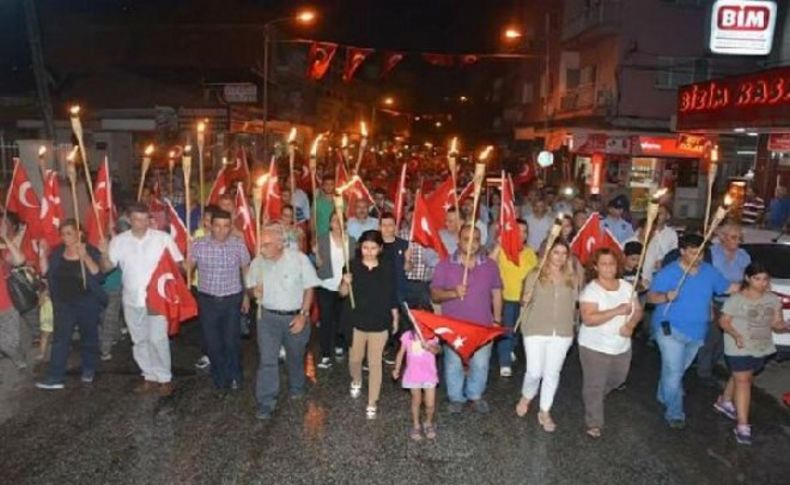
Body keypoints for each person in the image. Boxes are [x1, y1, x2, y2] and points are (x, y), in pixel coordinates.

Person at [647, 233, 739, 428]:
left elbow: (728, 287)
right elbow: (650, 298)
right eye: (693, 253)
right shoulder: (669, 272)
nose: (698, 257)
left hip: (697, 331)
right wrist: (665, 297)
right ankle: (675, 413)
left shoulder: (709, 271)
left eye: (701, 253)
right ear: (682, 251)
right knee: (674, 372)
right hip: (669, 328)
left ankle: (664, 394)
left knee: (677, 370)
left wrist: (752, 285)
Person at [101, 203, 184, 397]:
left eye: (145, 219)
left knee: (158, 339)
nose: (141, 223)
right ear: (129, 220)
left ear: (150, 219)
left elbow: (179, 266)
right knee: (139, 340)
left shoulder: (162, 239)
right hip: (132, 299)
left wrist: (175, 272)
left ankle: (164, 378)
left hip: (157, 299)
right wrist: (104, 252)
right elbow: (106, 268)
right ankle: (149, 375)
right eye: (137, 219)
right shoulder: (119, 241)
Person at [246, 223, 320, 420]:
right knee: (267, 361)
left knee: (295, 357)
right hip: (267, 319)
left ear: (280, 244)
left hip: (295, 317)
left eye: (267, 244)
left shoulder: (299, 259)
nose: (262, 248)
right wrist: (253, 292)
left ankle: (297, 385)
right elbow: (249, 287)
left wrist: (303, 315)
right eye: (261, 244)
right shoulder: (257, 263)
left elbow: (309, 288)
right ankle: (266, 402)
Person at [714, 262, 789, 445]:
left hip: (761, 346)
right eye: (757, 279)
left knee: (743, 375)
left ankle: (724, 401)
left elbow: (776, 323)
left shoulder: (772, 299)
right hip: (737, 346)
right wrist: (736, 335)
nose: (762, 283)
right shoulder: (737, 299)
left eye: (765, 279)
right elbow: (724, 322)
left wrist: (785, 326)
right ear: (748, 278)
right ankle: (743, 425)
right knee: (744, 381)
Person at [431, 224, 503, 414]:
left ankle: (475, 394)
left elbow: (496, 293)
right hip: (454, 327)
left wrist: (496, 320)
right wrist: (454, 292)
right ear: (458, 240)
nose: (471, 243)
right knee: (453, 363)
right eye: (466, 239)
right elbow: (435, 295)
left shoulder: (490, 265)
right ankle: (456, 397)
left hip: (482, 326)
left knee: (480, 363)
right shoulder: (445, 265)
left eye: (476, 239)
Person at [515, 240, 580, 432]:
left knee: (552, 374)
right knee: (534, 372)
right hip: (535, 328)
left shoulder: (572, 278)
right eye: (555, 252)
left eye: (563, 253)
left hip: (562, 332)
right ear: (547, 253)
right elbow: (523, 300)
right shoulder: (535, 275)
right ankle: (527, 396)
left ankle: (545, 411)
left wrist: (574, 328)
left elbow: (574, 306)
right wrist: (523, 300)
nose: (559, 257)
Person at [578, 248, 643, 438]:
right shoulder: (591, 290)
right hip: (594, 346)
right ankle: (594, 421)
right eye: (604, 264)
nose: (608, 268)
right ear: (596, 267)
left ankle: (593, 397)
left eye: (612, 264)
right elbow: (588, 319)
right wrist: (616, 311)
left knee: (618, 379)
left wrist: (630, 325)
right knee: (595, 384)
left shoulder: (625, 286)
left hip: (621, 345)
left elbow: (637, 310)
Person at [36, 220, 107, 389]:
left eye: (68, 233)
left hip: (87, 302)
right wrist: (42, 255)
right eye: (62, 233)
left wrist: (86, 258)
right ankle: (55, 377)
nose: (65, 237)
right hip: (63, 303)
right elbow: (48, 273)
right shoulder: (58, 252)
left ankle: (89, 368)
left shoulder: (90, 250)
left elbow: (99, 276)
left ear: (79, 233)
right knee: (60, 339)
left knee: (88, 337)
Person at [188, 209, 250, 391]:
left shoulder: (238, 245)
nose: (222, 230)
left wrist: (247, 294)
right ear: (211, 226)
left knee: (232, 341)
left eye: (226, 226)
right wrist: (184, 262)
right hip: (207, 300)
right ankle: (220, 377)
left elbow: (245, 270)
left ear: (231, 227)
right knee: (213, 342)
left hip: (232, 299)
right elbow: (188, 269)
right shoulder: (198, 245)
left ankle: (235, 375)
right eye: (218, 226)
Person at [341, 230, 399, 419]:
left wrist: (395, 316)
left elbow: (392, 294)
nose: (369, 251)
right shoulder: (351, 266)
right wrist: (345, 282)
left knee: (375, 363)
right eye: (365, 247)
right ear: (360, 247)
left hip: (380, 321)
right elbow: (341, 294)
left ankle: (372, 401)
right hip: (357, 321)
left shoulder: (387, 267)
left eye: (373, 248)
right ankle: (356, 380)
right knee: (355, 359)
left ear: (380, 249)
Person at [698, 223, 751, 388]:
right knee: (711, 338)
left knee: (725, 340)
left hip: (734, 304)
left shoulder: (743, 256)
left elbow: (748, 278)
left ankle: (710, 366)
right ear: (722, 238)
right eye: (734, 237)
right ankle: (703, 372)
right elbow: (705, 280)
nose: (738, 241)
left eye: (739, 238)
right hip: (714, 302)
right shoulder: (711, 253)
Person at [490, 218, 537, 377]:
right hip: (506, 297)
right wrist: (499, 244)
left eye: (525, 231)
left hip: (524, 298)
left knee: (518, 329)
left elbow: (535, 273)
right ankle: (504, 362)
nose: (521, 234)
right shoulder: (502, 250)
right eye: (518, 231)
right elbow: (488, 264)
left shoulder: (530, 252)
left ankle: (510, 348)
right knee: (506, 329)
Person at [315, 212, 356, 368]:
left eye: (340, 221)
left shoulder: (351, 241)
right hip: (326, 285)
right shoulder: (323, 240)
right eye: (334, 221)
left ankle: (340, 345)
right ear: (330, 224)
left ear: (345, 223)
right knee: (326, 320)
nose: (337, 224)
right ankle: (325, 353)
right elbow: (319, 264)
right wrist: (317, 257)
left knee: (342, 319)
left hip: (344, 286)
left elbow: (354, 263)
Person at [392, 328, 440, 441]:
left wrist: (429, 347)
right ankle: (416, 425)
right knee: (416, 400)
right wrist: (396, 369)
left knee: (430, 404)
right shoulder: (408, 335)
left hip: (429, 375)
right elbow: (401, 353)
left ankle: (428, 423)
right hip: (414, 375)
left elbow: (437, 350)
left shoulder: (432, 335)